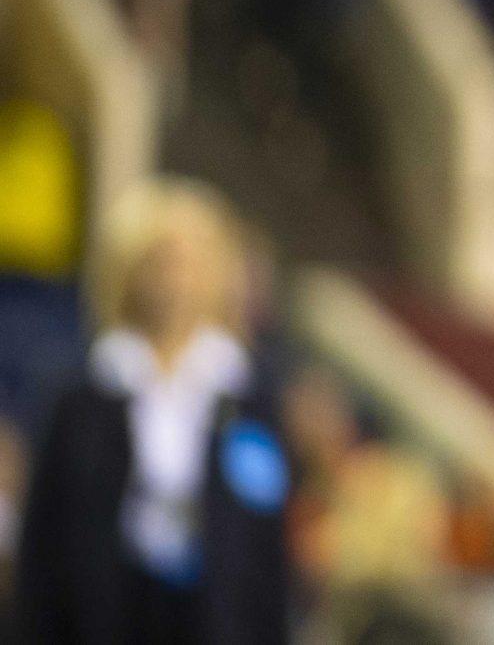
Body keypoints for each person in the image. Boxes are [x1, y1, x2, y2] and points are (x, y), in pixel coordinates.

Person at [17, 179, 293, 645]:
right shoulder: (87, 389)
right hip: (107, 609)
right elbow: (46, 535)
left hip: (212, 614)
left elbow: (264, 537)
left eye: (192, 262)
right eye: (162, 260)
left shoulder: (243, 392)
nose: (177, 280)